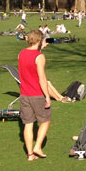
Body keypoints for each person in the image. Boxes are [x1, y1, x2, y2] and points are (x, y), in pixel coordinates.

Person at [18, 29, 52, 161]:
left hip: (24, 95)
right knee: (45, 121)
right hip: (37, 95)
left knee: (28, 124)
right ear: (39, 40)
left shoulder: (21, 54)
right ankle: (37, 146)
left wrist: (40, 49)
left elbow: (31, 60)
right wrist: (47, 96)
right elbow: (42, 79)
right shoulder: (40, 57)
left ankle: (30, 154)